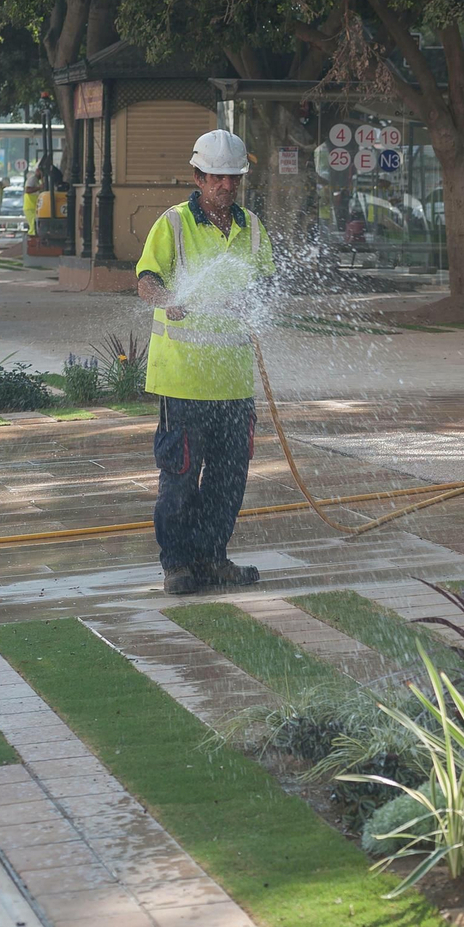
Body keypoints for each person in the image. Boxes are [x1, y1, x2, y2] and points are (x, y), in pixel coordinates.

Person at [135, 129, 275, 595]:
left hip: (233, 382)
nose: (227, 186)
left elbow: (268, 286)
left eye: (234, 178)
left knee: (227, 480)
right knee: (179, 477)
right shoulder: (173, 224)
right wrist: (168, 297)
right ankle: (177, 565)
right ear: (198, 176)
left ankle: (213, 558)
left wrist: (256, 303)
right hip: (183, 380)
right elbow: (147, 278)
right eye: (217, 177)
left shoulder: (252, 228)